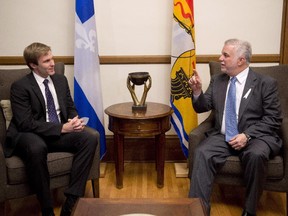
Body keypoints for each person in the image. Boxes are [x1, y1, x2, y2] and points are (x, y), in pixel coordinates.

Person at [188, 39, 282, 216]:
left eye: (225, 55)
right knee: (202, 152)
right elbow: (202, 106)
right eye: (221, 54)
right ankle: (197, 211)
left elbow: (273, 119)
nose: (220, 58)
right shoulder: (218, 81)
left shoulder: (265, 83)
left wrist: (247, 135)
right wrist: (197, 91)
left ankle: (250, 210)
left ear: (241, 60)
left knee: (256, 155)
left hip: (256, 137)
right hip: (223, 136)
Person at [4, 42, 98, 216]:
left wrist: (74, 120)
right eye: (47, 61)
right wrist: (62, 128)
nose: (53, 63)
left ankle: (71, 200)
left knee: (90, 138)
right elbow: (26, 123)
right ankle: (47, 208)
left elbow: (69, 106)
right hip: (30, 134)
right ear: (33, 65)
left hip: (57, 131)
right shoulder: (20, 87)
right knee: (36, 147)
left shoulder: (60, 80)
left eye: (52, 58)